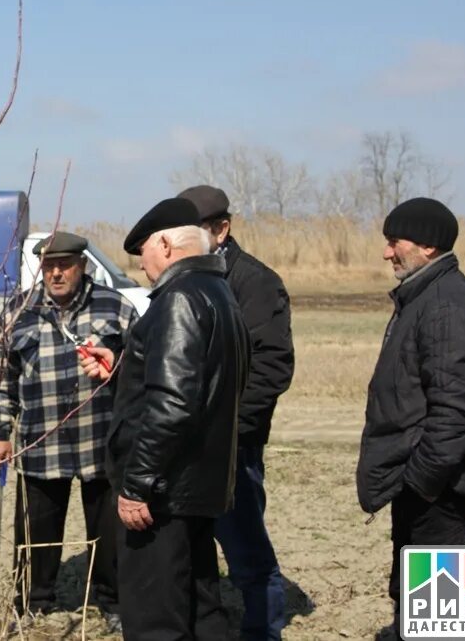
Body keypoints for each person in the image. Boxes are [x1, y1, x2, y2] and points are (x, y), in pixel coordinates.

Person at [91, 197, 250, 640]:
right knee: (201, 610)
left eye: (142, 251)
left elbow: (174, 402)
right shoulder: (218, 292)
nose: (141, 266)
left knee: (155, 619)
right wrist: (124, 368)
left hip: (161, 496)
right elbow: (205, 385)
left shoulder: (177, 299)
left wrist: (137, 485)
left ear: (164, 244)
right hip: (196, 487)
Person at [356, 197, 465, 638]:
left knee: (441, 617)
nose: (386, 252)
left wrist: (421, 481)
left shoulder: (446, 307)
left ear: (428, 246)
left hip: (442, 487)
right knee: (420, 608)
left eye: (394, 241)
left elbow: (456, 414)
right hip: (428, 481)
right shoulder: (425, 297)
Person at [0, 231, 137, 633]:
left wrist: (117, 365)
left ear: (82, 266)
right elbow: (2, 378)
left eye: (64, 265)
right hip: (41, 441)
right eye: (49, 266)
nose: (56, 273)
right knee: (36, 531)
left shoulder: (115, 307)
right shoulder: (19, 311)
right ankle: (32, 601)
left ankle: (114, 601)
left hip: (100, 441)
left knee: (109, 532)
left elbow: (142, 368)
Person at [178, 184, 295, 640]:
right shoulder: (185, 279)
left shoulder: (256, 283)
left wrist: (228, 428)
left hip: (233, 448)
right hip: (188, 446)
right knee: (191, 551)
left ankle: (262, 630)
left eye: (193, 232)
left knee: (247, 551)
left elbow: (272, 367)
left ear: (221, 230)